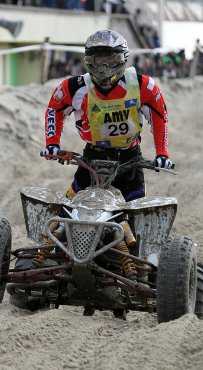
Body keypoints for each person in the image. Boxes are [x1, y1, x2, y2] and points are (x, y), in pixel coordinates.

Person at [42, 30, 173, 277]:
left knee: (136, 212)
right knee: (70, 206)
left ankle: (140, 265)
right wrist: (52, 143)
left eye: (109, 58)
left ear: (122, 58)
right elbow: (55, 109)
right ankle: (51, 252)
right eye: (96, 58)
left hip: (129, 158)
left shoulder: (143, 85)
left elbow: (159, 117)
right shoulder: (74, 86)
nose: (102, 66)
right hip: (92, 156)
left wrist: (162, 153)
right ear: (88, 60)